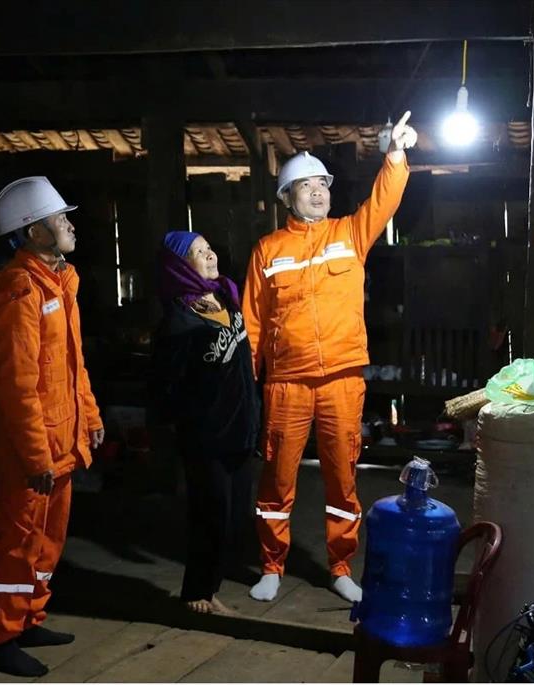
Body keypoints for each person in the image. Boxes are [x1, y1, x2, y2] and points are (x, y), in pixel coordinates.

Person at [242, 111, 418, 603]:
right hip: (286, 383)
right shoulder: (267, 250)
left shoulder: (350, 234)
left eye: (323, 184)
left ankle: (341, 568)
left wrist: (395, 155)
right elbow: (252, 324)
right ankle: (271, 567)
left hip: (342, 378)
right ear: (287, 197)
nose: (318, 192)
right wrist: (245, 389)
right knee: (277, 480)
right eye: (306, 186)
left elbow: (384, 199)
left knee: (343, 479)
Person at [0, 176, 105, 677]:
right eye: (60, 218)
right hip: (32, 448)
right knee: (17, 541)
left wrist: (90, 418)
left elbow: (72, 365)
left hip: (61, 438)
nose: (70, 224)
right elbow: (16, 386)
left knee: (48, 540)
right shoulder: (18, 291)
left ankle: (28, 619)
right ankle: (2, 638)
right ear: (34, 232)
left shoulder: (58, 282)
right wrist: (34, 455)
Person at [150, 231, 259, 614]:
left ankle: (212, 588)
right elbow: (168, 386)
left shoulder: (226, 297)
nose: (210, 255)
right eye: (199, 252)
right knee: (210, 516)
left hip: (240, 431)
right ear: (180, 267)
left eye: (210, 248)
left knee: (235, 518)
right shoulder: (179, 321)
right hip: (207, 438)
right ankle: (197, 591)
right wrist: (186, 429)